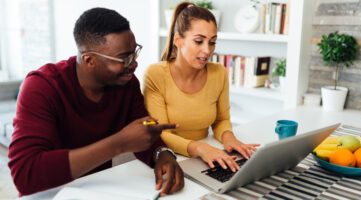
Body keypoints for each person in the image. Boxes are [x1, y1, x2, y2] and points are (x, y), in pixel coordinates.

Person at [8, 7, 184, 197]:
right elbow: (26, 174)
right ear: (89, 60)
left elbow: (143, 131)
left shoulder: (126, 83)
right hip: (50, 193)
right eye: (124, 58)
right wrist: (119, 144)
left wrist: (162, 154)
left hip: (98, 188)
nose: (133, 64)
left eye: (134, 53)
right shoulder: (42, 87)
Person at [143, 2, 260, 172]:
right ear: (178, 40)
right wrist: (199, 149)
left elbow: (221, 120)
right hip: (169, 159)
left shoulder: (219, 73)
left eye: (212, 42)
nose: (207, 50)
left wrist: (229, 138)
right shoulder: (155, 75)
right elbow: (160, 133)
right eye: (199, 41)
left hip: (208, 153)